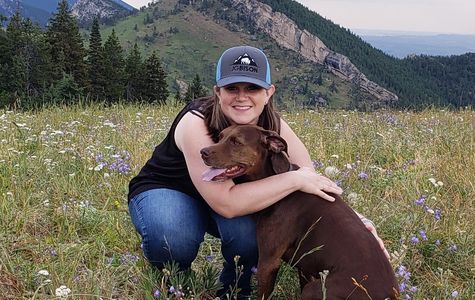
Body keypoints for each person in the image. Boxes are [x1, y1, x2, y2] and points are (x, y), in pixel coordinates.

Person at [128, 45, 388, 299]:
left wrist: (361, 221)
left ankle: (234, 289)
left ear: (268, 92)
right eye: (232, 88)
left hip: (226, 193)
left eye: (253, 87)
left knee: (250, 234)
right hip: (170, 191)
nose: (242, 96)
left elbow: (309, 176)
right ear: (218, 92)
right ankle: (174, 280)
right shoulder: (195, 121)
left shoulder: (270, 125)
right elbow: (227, 203)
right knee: (173, 235)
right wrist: (292, 178)